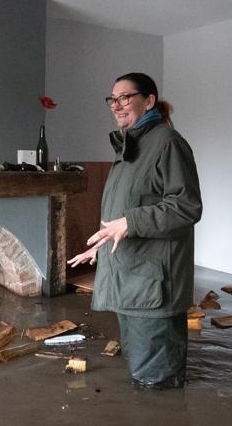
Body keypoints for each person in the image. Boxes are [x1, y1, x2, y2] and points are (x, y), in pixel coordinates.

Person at [68, 72, 202, 388]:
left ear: (149, 100)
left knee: (157, 382)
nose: (117, 105)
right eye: (112, 99)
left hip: (153, 283)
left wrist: (130, 223)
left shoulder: (167, 143)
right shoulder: (131, 147)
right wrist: (99, 245)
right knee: (142, 371)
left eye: (125, 97)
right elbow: (125, 211)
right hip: (132, 278)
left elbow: (187, 206)